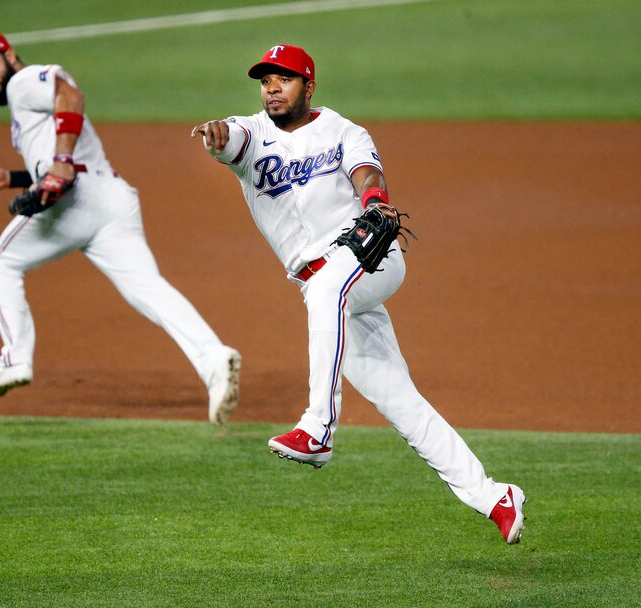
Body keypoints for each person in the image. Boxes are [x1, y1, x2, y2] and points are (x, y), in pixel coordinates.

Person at [191, 44, 527, 542]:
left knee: (327, 287)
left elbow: (367, 174)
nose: (272, 88)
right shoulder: (252, 134)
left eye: (283, 79)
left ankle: (318, 428)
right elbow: (229, 138)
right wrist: (215, 136)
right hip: (329, 292)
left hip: (370, 258)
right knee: (399, 400)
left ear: (309, 86)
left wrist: (373, 200)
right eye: (265, 81)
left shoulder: (345, 132)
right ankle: (494, 496)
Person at [0, 32, 240, 424]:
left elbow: (69, 95)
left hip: (74, 200)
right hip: (112, 200)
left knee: (1, 265)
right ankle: (214, 359)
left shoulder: (24, 81)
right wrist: (14, 177)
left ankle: (14, 359)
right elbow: (56, 166)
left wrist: (58, 162)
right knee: (149, 288)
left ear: (8, 55)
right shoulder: (25, 105)